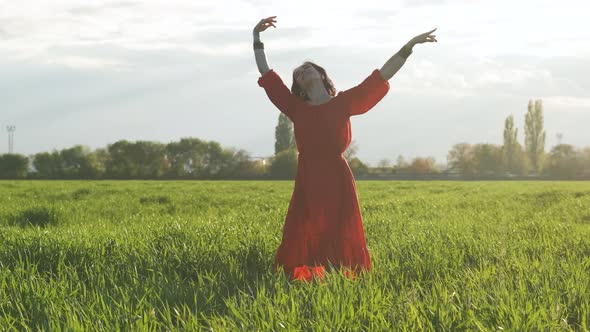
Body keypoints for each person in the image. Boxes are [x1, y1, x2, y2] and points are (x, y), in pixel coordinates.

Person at [253, 16, 437, 282]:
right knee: (303, 225)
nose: (302, 72)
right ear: (300, 88)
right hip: (308, 177)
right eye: (298, 74)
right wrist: (256, 38)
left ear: (321, 75)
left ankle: (339, 279)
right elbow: (267, 76)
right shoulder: (296, 108)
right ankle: (307, 277)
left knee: (340, 227)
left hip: (337, 177)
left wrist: (409, 46)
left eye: (307, 68)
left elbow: (381, 76)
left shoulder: (344, 103)